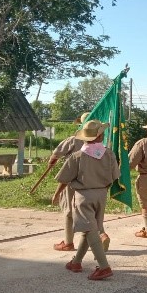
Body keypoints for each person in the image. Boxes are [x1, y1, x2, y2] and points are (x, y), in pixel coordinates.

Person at [52, 119, 120, 281]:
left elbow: (65, 179)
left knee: (90, 229)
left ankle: (104, 266)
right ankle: (76, 262)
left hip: (83, 196)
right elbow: (115, 176)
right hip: (101, 194)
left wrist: (56, 194)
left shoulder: (77, 156)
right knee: (89, 228)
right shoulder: (109, 154)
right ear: (100, 137)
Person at [50, 112, 110, 252]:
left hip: (75, 183)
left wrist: (56, 193)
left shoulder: (73, 142)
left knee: (69, 212)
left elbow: (56, 157)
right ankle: (101, 234)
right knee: (94, 214)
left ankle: (69, 242)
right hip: (97, 185)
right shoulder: (103, 148)